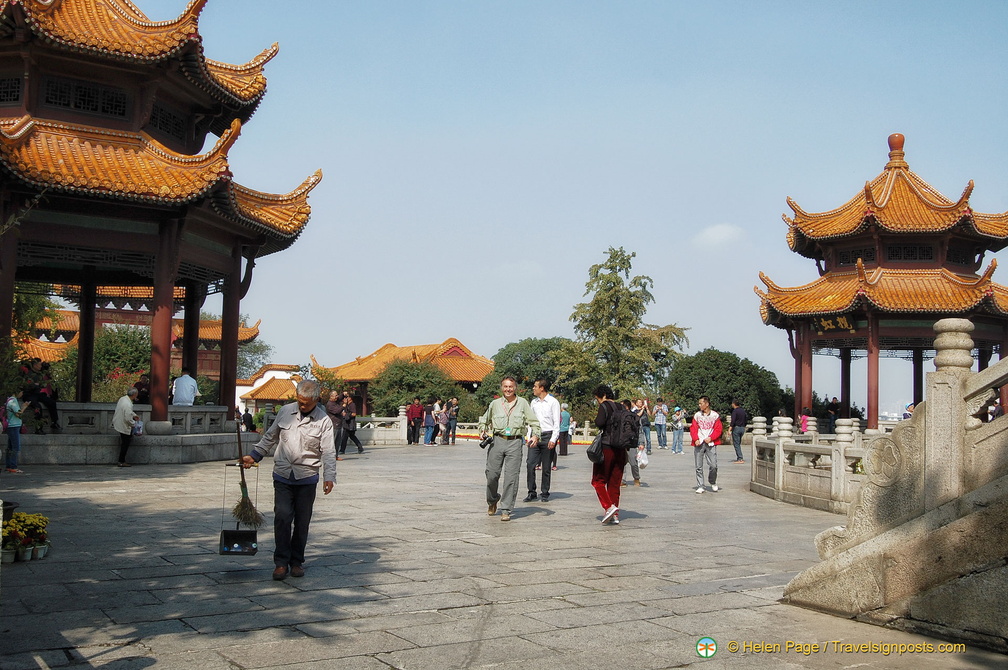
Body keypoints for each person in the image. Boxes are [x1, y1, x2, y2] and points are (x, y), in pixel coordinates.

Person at [242, 379, 336, 581]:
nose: (303, 406)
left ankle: (297, 562)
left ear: (317, 400)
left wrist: (329, 476)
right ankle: (281, 562)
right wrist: (254, 455)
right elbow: (270, 437)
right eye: (300, 402)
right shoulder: (285, 412)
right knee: (282, 518)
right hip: (283, 474)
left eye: (307, 403)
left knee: (302, 522)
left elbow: (329, 451)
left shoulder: (324, 421)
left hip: (307, 476)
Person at [478, 376, 541, 522]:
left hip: (515, 442)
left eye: (511, 387)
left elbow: (534, 422)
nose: (508, 389)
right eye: (505, 386)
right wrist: (482, 430)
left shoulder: (523, 403)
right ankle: (492, 499)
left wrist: (536, 435)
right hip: (497, 441)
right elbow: (484, 420)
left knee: (511, 478)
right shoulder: (495, 404)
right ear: (501, 388)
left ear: (515, 388)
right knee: (491, 475)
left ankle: (506, 509)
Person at [591, 385, 626, 525]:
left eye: (597, 399)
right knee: (614, 482)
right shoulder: (622, 407)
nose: (598, 402)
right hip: (621, 449)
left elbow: (599, 422)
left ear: (603, 395)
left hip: (607, 447)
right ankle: (614, 514)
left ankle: (608, 506)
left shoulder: (605, 406)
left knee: (597, 480)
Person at [525, 379, 561, 503]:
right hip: (535, 436)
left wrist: (553, 439)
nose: (533, 388)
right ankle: (531, 492)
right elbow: (530, 421)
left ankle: (545, 492)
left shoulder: (553, 402)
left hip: (548, 435)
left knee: (546, 467)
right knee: (530, 464)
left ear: (542, 388)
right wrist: (529, 436)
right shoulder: (533, 402)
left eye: (535, 386)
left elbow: (556, 422)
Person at [691, 395, 722, 493]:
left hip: (710, 443)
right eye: (699, 403)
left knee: (713, 465)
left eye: (701, 403)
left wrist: (711, 437)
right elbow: (693, 428)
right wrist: (695, 438)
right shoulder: (697, 415)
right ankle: (700, 485)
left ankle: (712, 481)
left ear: (707, 404)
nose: (699, 405)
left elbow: (718, 429)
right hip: (699, 443)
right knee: (698, 466)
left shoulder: (715, 416)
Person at [23, 358, 60, 433]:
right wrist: (35, 385)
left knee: (51, 402)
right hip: (29, 394)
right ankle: (38, 427)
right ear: (35, 365)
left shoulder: (40, 374)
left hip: (37, 393)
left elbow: (42, 384)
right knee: (37, 407)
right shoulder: (29, 374)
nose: (41, 366)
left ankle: (54, 422)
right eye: (39, 364)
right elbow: (27, 386)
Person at [112, 387, 139, 467]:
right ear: (134, 394)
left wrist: (134, 415)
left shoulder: (123, 399)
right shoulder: (127, 404)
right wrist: (134, 424)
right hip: (123, 425)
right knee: (125, 443)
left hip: (119, 422)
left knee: (125, 442)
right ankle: (121, 461)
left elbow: (128, 412)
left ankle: (121, 460)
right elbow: (127, 418)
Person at [4, 387, 28, 473]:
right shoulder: (13, 401)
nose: (22, 394)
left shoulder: (9, 400)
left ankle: (9, 466)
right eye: (21, 392)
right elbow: (18, 414)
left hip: (11, 425)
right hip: (14, 426)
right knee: (15, 447)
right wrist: (24, 407)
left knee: (10, 447)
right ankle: (13, 466)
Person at [622, 399, 642, 486]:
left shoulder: (635, 417)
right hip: (621, 443)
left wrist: (641, 443)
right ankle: (622, 480)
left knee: (633, 463)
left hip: (631, 443)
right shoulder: (619, 417)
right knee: (621, 463)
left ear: (627, 407)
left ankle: (636, 478)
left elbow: (640, 431)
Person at [325, 392, 345, 459]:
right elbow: (337, 411)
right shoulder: (330, 404)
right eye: (336, 395)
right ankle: (331, 456)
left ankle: (335, 455)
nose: (337, 397)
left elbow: (339, 398)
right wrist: (343, 406)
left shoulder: (335, 402)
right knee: (333, 441)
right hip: (334, 424)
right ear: (331, 397)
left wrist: (343, 394)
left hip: (339, 424)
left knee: (337, 442)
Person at [730, 399, 747, 464]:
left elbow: (733, 421)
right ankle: (739, 457)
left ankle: (740, 458)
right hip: (742, 428)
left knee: (736, 444)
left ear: (733, 404)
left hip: (736, 428)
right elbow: (746, 419)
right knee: (738, 443)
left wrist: (730, 429)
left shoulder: (735, 411)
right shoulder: (743, 411)